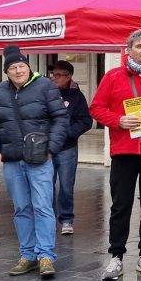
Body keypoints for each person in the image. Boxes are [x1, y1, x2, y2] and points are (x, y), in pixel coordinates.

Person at [90, 29, 141, 281]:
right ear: (128, 50)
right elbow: (96, 108)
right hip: (124, 150)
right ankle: (116, 256)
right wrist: (118, 120)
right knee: (121, 204)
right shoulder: (113, 76)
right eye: (139, 46)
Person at [0, 45, 69, 279]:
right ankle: (28, 255)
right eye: (13, 67)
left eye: (21, 65)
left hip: (40, 158)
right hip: (12, 160)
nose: (18, 70)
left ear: (28, 66)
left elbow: (60, 119)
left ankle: (45, 255)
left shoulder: (45, 86)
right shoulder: (0, 92)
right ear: (6, 71)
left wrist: (51, 149)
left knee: (42, 206)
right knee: (21, 207)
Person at [48, 60, 93, 235]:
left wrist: (70, 133)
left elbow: (86, 121)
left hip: (67, 148)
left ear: (69, 77)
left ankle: (66, 219)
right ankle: (49, 218)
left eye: (59, 75)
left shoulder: (76, 96)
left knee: (66, 185)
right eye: (53, 74)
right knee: (46, 185)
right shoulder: (45, 92)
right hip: (47, 148)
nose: (54, 78)